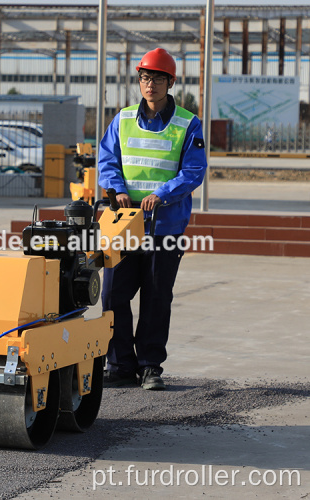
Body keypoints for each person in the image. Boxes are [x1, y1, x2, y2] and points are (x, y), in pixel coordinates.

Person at [98, 47, 208, 390]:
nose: (150, 84)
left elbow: (194, 170)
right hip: (125, 225)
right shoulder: (123, 118)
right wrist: (116, 188)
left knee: (157, 297)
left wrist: (161, 194)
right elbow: (107, 159)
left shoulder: (188, 124)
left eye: (158, 78)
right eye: (145, 77)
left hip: (166, 226)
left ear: (170, 82)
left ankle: (149, 366)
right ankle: (120, 365)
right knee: (113, 295)